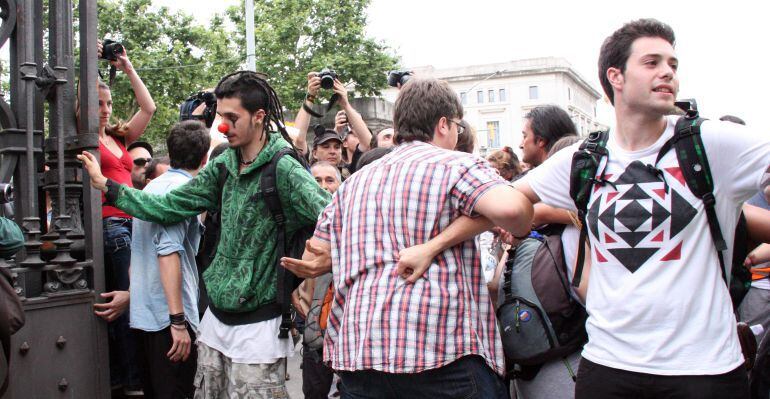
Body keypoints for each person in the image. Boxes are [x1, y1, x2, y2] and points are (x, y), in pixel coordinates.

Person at [511, 19, 770, 398]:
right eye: (652, 63)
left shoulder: (712, 144)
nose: (668, 72)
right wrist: (430, 247)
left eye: (673, 64)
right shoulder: (585, 158)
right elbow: (510, 199)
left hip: (705, 371)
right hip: (608, 368)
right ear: (615, 76)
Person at [78, 70, 330, 398]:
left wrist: (326, 255)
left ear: (259, 117)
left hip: (258, 331)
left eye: (231, 117)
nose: (222, 126)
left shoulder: (284, 167)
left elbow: (333, 214)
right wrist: (109, 187)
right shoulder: (223, 162)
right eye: (221, 116)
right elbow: (171, 205)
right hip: (214, 324)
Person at [281, 77, 533, 398]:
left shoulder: (355, 182)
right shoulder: (457, 164)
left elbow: (315, 255)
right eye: (456, 125)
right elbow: (516, 214)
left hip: (361, 354)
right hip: (443, 354)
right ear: (443, 124)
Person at [77, 40, 156, 397]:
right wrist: (86, 61)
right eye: (97, 103)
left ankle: (133, 375)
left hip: (134, 222)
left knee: (137, 299)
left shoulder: (117, 139)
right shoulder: (84, 140)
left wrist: (127, 67)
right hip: (112, 226)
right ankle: (130, 381)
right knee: (125, 302)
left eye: (108, 103)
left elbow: (148, 107)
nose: (105, 110)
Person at [129, 121, 210, 399]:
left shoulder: (150, 189)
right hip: (170, 320)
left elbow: (137, 254)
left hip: (144, 315)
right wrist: (178, 323)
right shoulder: (183, 193)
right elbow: (168, 252)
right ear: (204, 158)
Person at [294, 71, 372, 175]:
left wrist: (345, 104)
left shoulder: (350, 172)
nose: (332, 151)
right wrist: (310, 96)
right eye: (326, 146)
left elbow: (367, 143)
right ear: (315, 153)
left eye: (337, 147)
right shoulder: (307, 174)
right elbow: (299, 138)